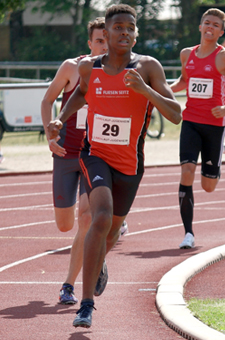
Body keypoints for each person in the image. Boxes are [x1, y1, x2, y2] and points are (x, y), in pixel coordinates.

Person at [47, 3, 181, 328]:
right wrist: (60, 120)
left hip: (130, 166)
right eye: (118, 27)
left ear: (136, 35)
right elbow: (81, 94)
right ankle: (86, 304)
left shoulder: (147, 67)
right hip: (94, 155)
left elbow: (176, 114)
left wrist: (145, 90)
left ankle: (100, 260)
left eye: (130, 28)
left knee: (109, 231)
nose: (124, 32)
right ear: (104, 34)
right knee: (100, 216)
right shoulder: (88, 68)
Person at [41, 17, 108, 304]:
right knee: (65, 225)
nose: (105, 45)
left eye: (109, 39)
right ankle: (99, 247)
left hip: (93, 156)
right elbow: (47, 101)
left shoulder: (118, 71)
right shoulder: (71, 67)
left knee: (86, 219)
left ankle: (69, 284)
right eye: (100, 40)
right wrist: (49, 135)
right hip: (65, 153)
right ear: (89, 42)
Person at [170, 8, 225, 249]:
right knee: (187, 172)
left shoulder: (222, 57)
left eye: (215, 24)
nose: (210, 27)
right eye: (206, 22)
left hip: (215, 125)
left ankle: (215, 167)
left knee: (208, 186)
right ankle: (188, 233)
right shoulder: (186, 54)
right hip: (191, 121)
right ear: (200, 27)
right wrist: (160, 92)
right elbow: (184, 81)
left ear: (221, 32)